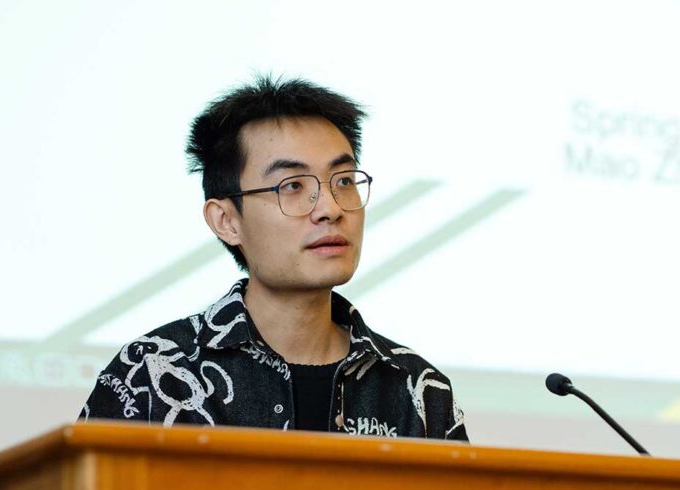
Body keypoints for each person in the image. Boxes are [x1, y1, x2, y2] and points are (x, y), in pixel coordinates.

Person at [80, 76, 467, 441]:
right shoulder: (152, 373)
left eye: (345, 181)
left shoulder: (417, 389)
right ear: (226, 221)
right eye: (292, 186)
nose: (330, 209)